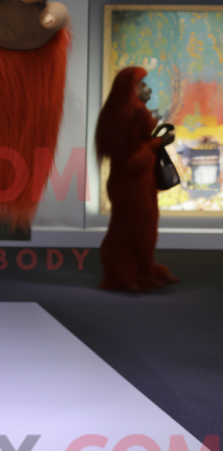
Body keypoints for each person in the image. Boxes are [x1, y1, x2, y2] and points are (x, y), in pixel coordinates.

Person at [96, 66, 180, 291]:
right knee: (128, 230)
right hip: (131, 186)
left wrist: (156, 141)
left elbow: (134, 150)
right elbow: (132, 160)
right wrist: (159, 143)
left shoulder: (126, 113)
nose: (147, 89)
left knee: (144, 229)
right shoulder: (128, 114)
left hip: (139, 184)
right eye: (142, 84)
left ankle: (142, 273)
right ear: (130, 89)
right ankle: (123, 276)